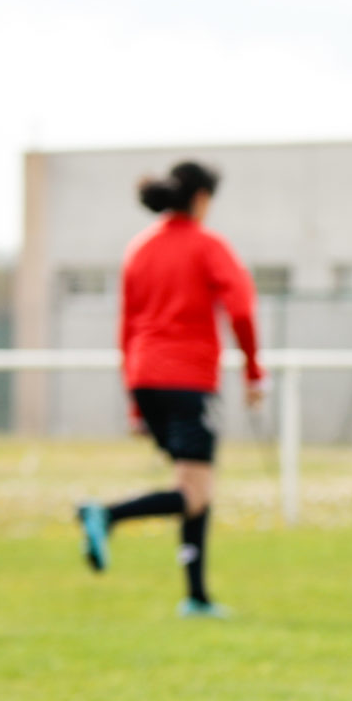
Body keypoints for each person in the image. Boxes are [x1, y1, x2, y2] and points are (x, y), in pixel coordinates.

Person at [76, 159, 265, 619]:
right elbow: (240, 308)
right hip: (187, 380)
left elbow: (127, 325)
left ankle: (197, 598)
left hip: (144, 379)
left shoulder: (139, 250)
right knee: (196, 492)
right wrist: (254, 370)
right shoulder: (207, 246)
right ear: (201, 199)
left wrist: (134, 404)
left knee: (194, 488)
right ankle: (106, 515)